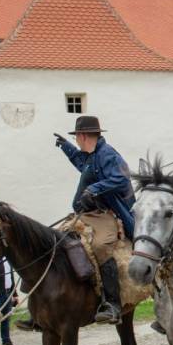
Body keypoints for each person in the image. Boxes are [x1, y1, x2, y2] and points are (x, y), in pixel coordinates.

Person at [55, 115, 135, 325]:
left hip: (106, 214)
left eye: (76, 138)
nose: (76, 142)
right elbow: (83, 166)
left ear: (82, 136)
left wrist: (94, 189)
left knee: (100, 246)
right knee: (59, 239)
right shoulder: (90, 156)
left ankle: (112, 304)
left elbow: (121, 178)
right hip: (86, 214)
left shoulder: (108, 154)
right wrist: (66, 148)